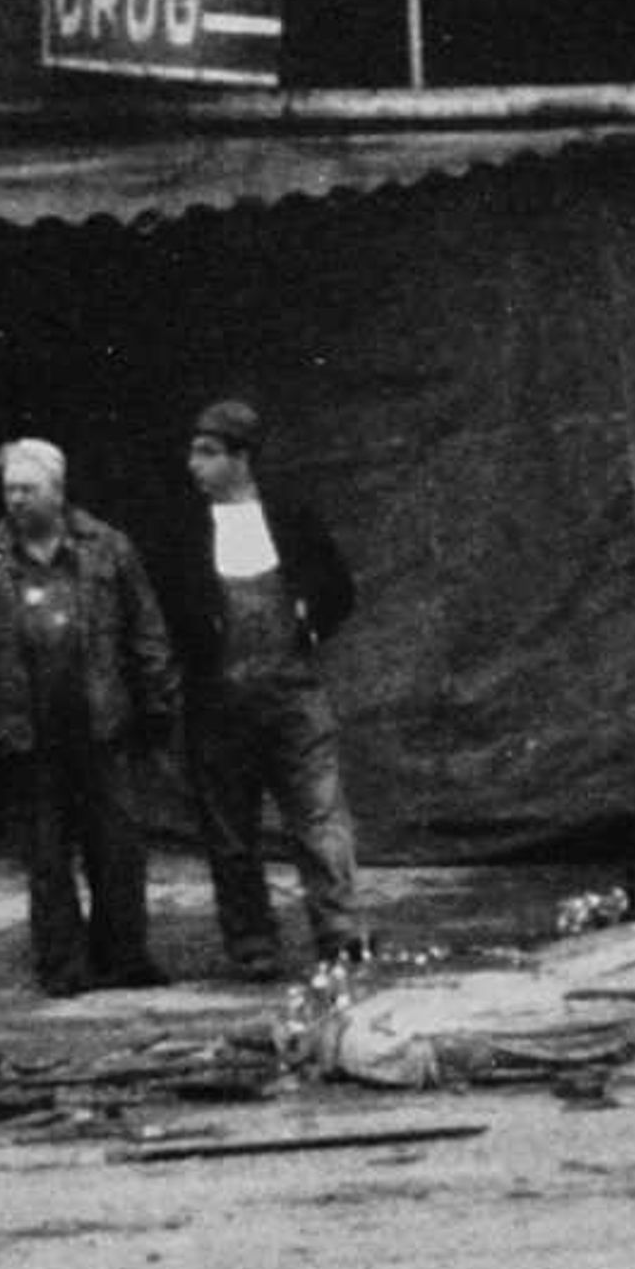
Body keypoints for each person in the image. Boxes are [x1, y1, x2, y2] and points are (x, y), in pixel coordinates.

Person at [0, 436, 178, 997]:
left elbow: (147, 631)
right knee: (46, 857)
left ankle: (124, 958)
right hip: (28, 733)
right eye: (9, 489)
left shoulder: (109, 550)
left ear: (58, 491)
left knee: (117, 849)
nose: (16, 499)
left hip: (102, 724)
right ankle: (63, 965)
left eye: (28, 488)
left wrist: (158, 705)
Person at [169, 398, 367, 977]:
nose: (194, 465)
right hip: (218, 701)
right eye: (194, 452)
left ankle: (341, 934)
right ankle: (252, 943)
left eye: (207, 453)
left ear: (242, 458)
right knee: (231, 832)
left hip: (293, 693)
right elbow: (171, 605)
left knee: (320, 818)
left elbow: (339, 587)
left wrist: (309, 621)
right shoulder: (185, 530)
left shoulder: (290, 516)